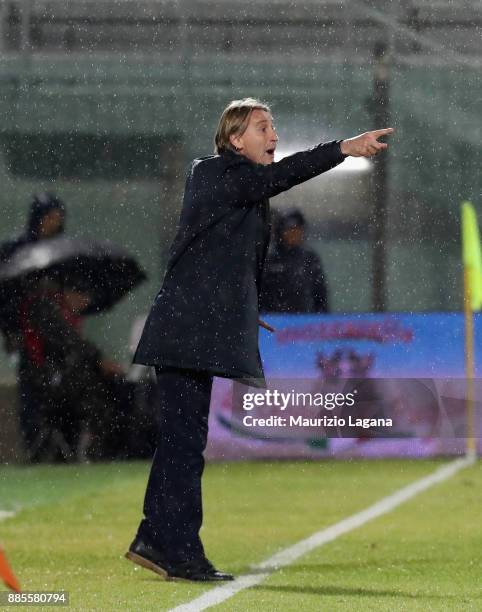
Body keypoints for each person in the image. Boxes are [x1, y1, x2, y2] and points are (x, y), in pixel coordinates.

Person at [126, 97, 393, 581]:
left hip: (192, 328)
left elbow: (220, 263)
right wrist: (343, 149)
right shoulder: (217, 174)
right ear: (234, 139)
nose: (273, 136)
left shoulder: (237, 187)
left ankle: (156, 537)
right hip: (185, 331)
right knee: (184, 444)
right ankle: (178, 550)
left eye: (274, 127)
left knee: (181, 442)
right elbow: (278, 177)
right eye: (263, 128)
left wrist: (245, 313)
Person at [260, 207, 330, 313]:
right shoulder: (269, 258)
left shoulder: (309, 258)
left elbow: (320, 293)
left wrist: (322, 317)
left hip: (303, 321)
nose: (294, 234)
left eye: (298, 229)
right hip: (273, 320)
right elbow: (260, 293)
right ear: (281, 232)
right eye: (290, 229)